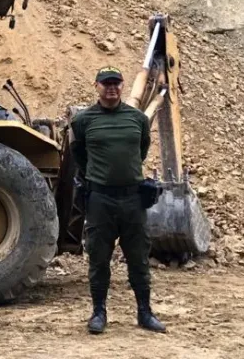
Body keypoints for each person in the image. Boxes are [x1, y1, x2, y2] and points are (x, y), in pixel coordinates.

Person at [70, 66, 166, 335]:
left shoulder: (136, 119)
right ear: (96, 86)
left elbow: (142, 150)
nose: (111, 87)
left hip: (133, 200)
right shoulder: (84, 120)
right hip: (101, 200)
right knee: (99, 259)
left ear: (123, 86)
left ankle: (145, 313)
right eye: (105, 83)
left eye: (116, 83)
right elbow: (79, 154)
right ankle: (99, 312)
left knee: (138, 259)